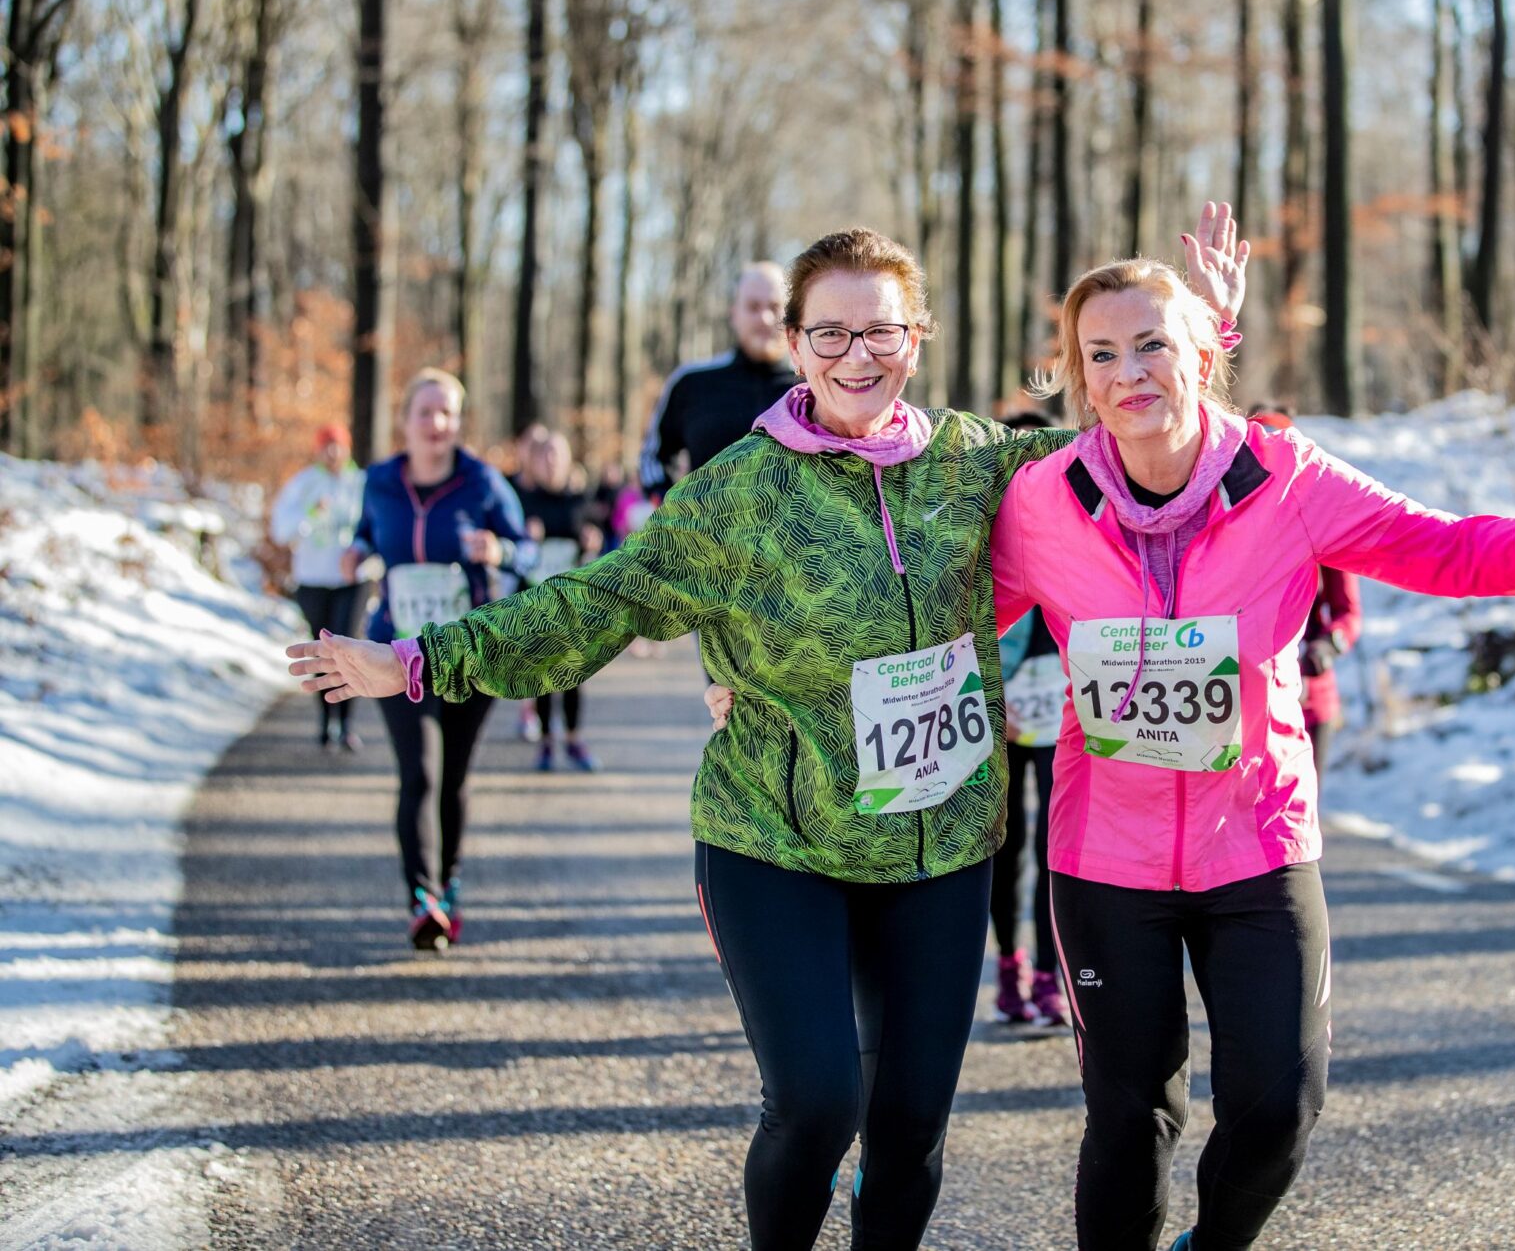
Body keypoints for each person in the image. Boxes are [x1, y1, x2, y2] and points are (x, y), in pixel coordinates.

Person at [287, 228, 1079, 1250]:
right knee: (816, 1102)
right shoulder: (738, 492)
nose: (854, 355)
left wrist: (1195, 340)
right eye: (828, 331)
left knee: (911, 1124)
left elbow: (1132, 451)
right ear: (792, 343)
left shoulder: (976, 462)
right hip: (774, 838)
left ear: (916, 338)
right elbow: (596, 600)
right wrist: (419, 660)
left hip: (940, 842)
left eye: (879, 330)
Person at [989, 257, 1515, 1251]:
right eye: (1098, 352)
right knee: (1129, 1119)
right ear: (1075, 373)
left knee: (1278, 1108)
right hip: (1105, 857)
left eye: (1150, 342)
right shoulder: (1039, 501)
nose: (1126, 371)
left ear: (1200, 348)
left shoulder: (1284, 477)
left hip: (1257, 846)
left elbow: (1443, 547)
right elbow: (943, 621)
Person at [341, 368, 529, 952]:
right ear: (405, 421)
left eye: (447, 412)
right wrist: (356, 549)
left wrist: (500, 550)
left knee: (453, 779)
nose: (436, 423)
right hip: (395, 651)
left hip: (470, 651)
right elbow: (369, 531)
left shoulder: (483, 483)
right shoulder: (379, 481)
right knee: (419, 773)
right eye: (425, 412)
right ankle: (422, 899)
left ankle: (447, 885)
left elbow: (527, 550)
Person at [991, 410, 1068, 1027]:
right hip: (999, 703)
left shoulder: (1074, 515)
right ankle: (1008, 968)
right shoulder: (981, 526)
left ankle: (1049, 973)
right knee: (1006, 841)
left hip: (1065, 703)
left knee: (1055, 844)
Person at [1247, 407, 1361, 774]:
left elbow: (1349, 614)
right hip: (1245, 705)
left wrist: (1328, 646)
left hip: (1311, 699)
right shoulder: (1230, 527)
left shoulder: (1321, 525)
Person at [637, 261, 796, 499]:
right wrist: (671, 512)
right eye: (753, 307)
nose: (764, 318)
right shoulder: (691, 383)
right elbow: (653, 459)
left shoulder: (812, 389)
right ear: (734, 313)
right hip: (702, 534)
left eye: (775, 307)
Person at [269, 423, 366, 750]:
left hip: (352, 582)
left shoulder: (361, 484)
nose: (334, 452)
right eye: (328, 445)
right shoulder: (304, 484)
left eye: (339, 445)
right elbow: (281, 531)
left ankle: (348, 724)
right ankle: (326, 721)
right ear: (318, 449)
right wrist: (310, 512)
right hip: (312, 582)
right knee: (323, 651)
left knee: (348, 650)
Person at [513, 429, 604, 771]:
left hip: (573, 605)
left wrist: (592, 544)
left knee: (574, 673)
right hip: (536, 603)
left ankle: (574, 740)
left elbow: (597, 552)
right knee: (541, 675)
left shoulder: (579, 501)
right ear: (535, 461)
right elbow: (512, 552)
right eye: (545, 455)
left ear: (568, 461)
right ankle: (547, 745)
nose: (551, 461)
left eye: (557, 455)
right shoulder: (524, 501)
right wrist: (526, 539)